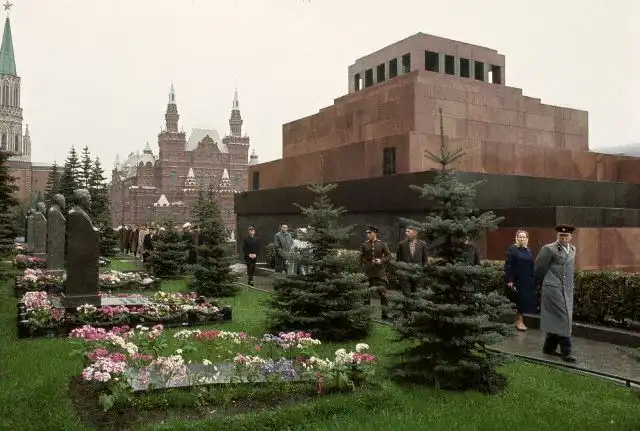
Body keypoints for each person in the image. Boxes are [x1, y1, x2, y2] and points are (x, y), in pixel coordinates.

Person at [534, 224, 577, 363]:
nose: (563, 238)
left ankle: (548, 348)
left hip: (566, 289)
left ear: (571, 237)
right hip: (552, 288)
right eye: (561, 236)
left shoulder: (573, 249)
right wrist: (545, 284)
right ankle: (566, 352)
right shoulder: (548, 249)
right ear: (557, 236)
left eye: (566, 236)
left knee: (556, 318)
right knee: (563, 317)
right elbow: (539, 268)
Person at [504, 230, 536, 331]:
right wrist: (509, 280)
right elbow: (509, 265)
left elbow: (532, 265)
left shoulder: (529, 250)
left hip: (527, 280)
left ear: (527, 239)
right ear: (516, 238)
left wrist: (533, 278)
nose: (522, 239)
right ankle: (519, 322)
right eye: (520, 237)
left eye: (524, 237)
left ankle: (519, 320)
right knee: (518, 301)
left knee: (524, 301)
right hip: (516, 280)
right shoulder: (512, 250)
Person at [360, 225, 391, 319]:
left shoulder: (382, 244)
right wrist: (362, 271)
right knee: (366, 294)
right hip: (368, 273)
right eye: (367, 233)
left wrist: (381, 260)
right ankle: (365, 315)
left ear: (375, 233)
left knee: (383, 294)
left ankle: (385, 315)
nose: (368, 235)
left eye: (370, 233)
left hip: (379, 273)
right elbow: (360, 259)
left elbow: (389, 256)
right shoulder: (364, 245)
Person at [395, 225, 428, 295]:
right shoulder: (401, 244)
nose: (406, 233)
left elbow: (425, 259)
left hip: (417, 273)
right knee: (406, 294)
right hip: (405, 273)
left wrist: (423, 271)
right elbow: (398, 260)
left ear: (415, 233)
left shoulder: (422, 244)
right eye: (406, 231)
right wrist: (400, 273)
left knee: (416, 294)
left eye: (408, 231)